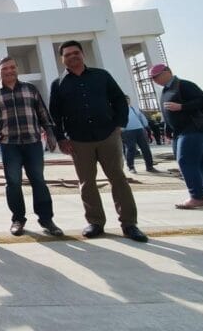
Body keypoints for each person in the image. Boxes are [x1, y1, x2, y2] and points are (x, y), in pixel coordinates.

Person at [49, 40, 148, 242]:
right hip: (79, 141)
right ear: (62, 59)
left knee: (118, 179)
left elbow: (119, 100)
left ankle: (129, 223)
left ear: (82, 54)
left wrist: (119, 125)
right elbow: (55, 115)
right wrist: (61, 138)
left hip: (107, 136)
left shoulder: (101, 76)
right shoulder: (58, 84)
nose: (72, 57)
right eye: (67, 55)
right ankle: (95, 222)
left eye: (75, 53)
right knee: (87, 183)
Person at [0, 56, 64, 238]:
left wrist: (50, 134)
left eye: (12, 67)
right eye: (5, 69)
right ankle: (18, 219)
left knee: (38, 181)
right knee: (13, 183)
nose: (9, 71)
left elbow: (43, 113)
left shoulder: (30, 89)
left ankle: (46, 220)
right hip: (9, 145)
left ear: (17, 69)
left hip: (32, 143)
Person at [150, 63, 203, 208]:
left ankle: (197, 197)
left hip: (193, 129)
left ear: (167, 72)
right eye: (152, 78)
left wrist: (182, 107)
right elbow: (167, 113)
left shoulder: (184, 85)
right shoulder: (166, 90)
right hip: (182, 131)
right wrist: (168, 130)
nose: (154, 80)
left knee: (185, 161)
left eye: (156, 76)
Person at [123, 96, 161, 174]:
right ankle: (131, 167)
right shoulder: (119, 110)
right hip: (127, 131)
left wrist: (145, 127)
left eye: (128, 100)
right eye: (125, 100)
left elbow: (142, 117)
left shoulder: (135, 109)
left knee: (145, 148)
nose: (127, 101)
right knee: (131, 149)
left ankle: (149, 166)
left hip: (140, 130)